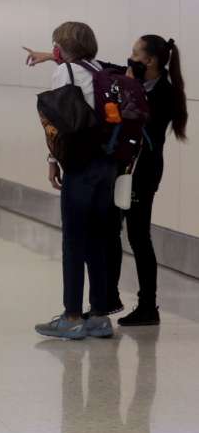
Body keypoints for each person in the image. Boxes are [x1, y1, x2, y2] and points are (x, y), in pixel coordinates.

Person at [25, 34, 188, 327]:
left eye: (135, 54)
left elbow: (140, 124)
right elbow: (92, 63)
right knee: (108, 231)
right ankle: (105, 302)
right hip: (121, 167)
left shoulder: (164, 92)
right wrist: (50, 56)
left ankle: (148, 305)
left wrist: (131, 90)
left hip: (144, 169)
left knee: (138, 235)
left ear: (150, 61)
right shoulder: (129, 78)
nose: (130, 59)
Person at [32, 22, 119, 340]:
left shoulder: (64, 73)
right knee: (98, 239)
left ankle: (71, 315)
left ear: (61, 47)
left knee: (73, 241)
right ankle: (99, 316)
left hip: (80, 167)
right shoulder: (101, 70)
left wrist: (53, 162)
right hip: (107, 165)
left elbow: (59, 125)